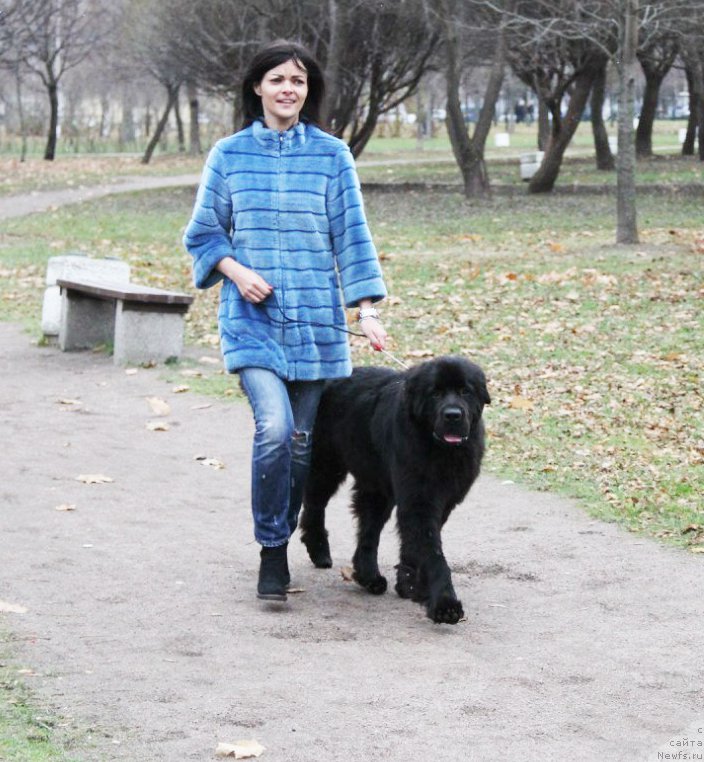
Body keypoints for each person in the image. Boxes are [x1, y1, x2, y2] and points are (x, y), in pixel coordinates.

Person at [183, 40, 388, 603]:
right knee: (274, 429)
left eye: (297, 81)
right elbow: (202, 234)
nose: (288, 89)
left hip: (317, 327)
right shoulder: (228, 155)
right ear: (257, 87)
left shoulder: (332, 156)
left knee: (300, 443)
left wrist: (365, 310)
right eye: (277, 79)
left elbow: (353, 237)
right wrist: (235, 271)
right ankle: (272, 552)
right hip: (251, 321)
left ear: (307, 91)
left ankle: (290, 529)